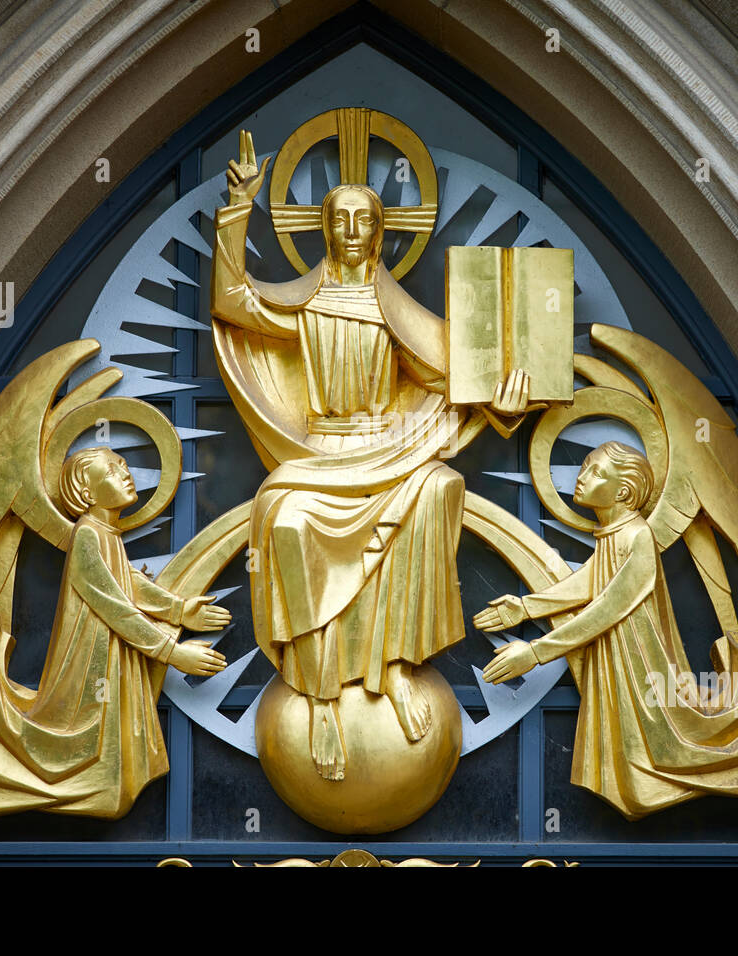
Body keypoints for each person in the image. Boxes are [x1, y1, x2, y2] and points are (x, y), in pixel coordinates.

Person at [211, 131, 530, 780]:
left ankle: (394, 666)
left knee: (439, 487)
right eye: (340, 218)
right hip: (318, 454)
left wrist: (509, 396)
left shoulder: (393, 311)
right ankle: (320, 694)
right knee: (293, 522)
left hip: (386, 451)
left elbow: (454, 377)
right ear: (324, 230)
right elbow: (231, 302)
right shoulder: (305, 306)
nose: (353, 229)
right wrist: (237, 209)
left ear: (381, 232)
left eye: (365, 218)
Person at [476, 442, 738, 818]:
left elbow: (609, 606)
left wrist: (536, 652)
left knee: (666, 733)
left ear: (624, 492)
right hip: (619, 660)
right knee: (626, 737)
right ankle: (637, 786)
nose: (579, 477)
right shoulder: (614, 534)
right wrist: (525, 607)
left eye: (594, 471)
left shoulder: (637, 537)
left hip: (641, 664)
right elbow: (590, 584)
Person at [0, 447, 230, 818]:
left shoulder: (104, 534)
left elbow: (125, 583)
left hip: (108, 662)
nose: (126, 473)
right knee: (86, 737)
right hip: (88, 669)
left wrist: (179, 609)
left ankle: (107, 788)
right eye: (113, 471)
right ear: (87, 494)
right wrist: (172, 652)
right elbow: (112, 605)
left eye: (124, 465)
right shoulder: (87, 536)